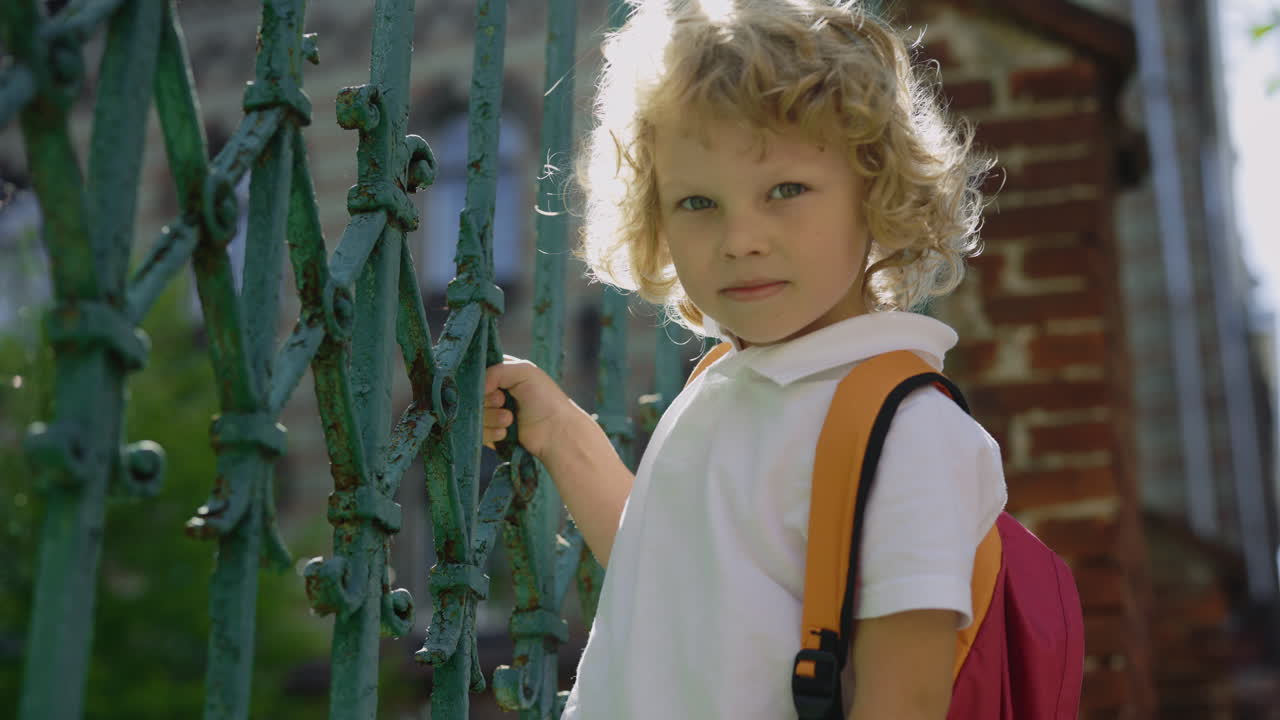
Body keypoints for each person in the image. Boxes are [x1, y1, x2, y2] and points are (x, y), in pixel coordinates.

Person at [482, 1, 999, 717]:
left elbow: (904, 700)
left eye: (785, 190)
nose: (740, 238)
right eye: (698, 203)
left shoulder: (910, 433)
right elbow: (663, 565)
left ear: (876, 192)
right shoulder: (726, 385)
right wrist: (560, 432)